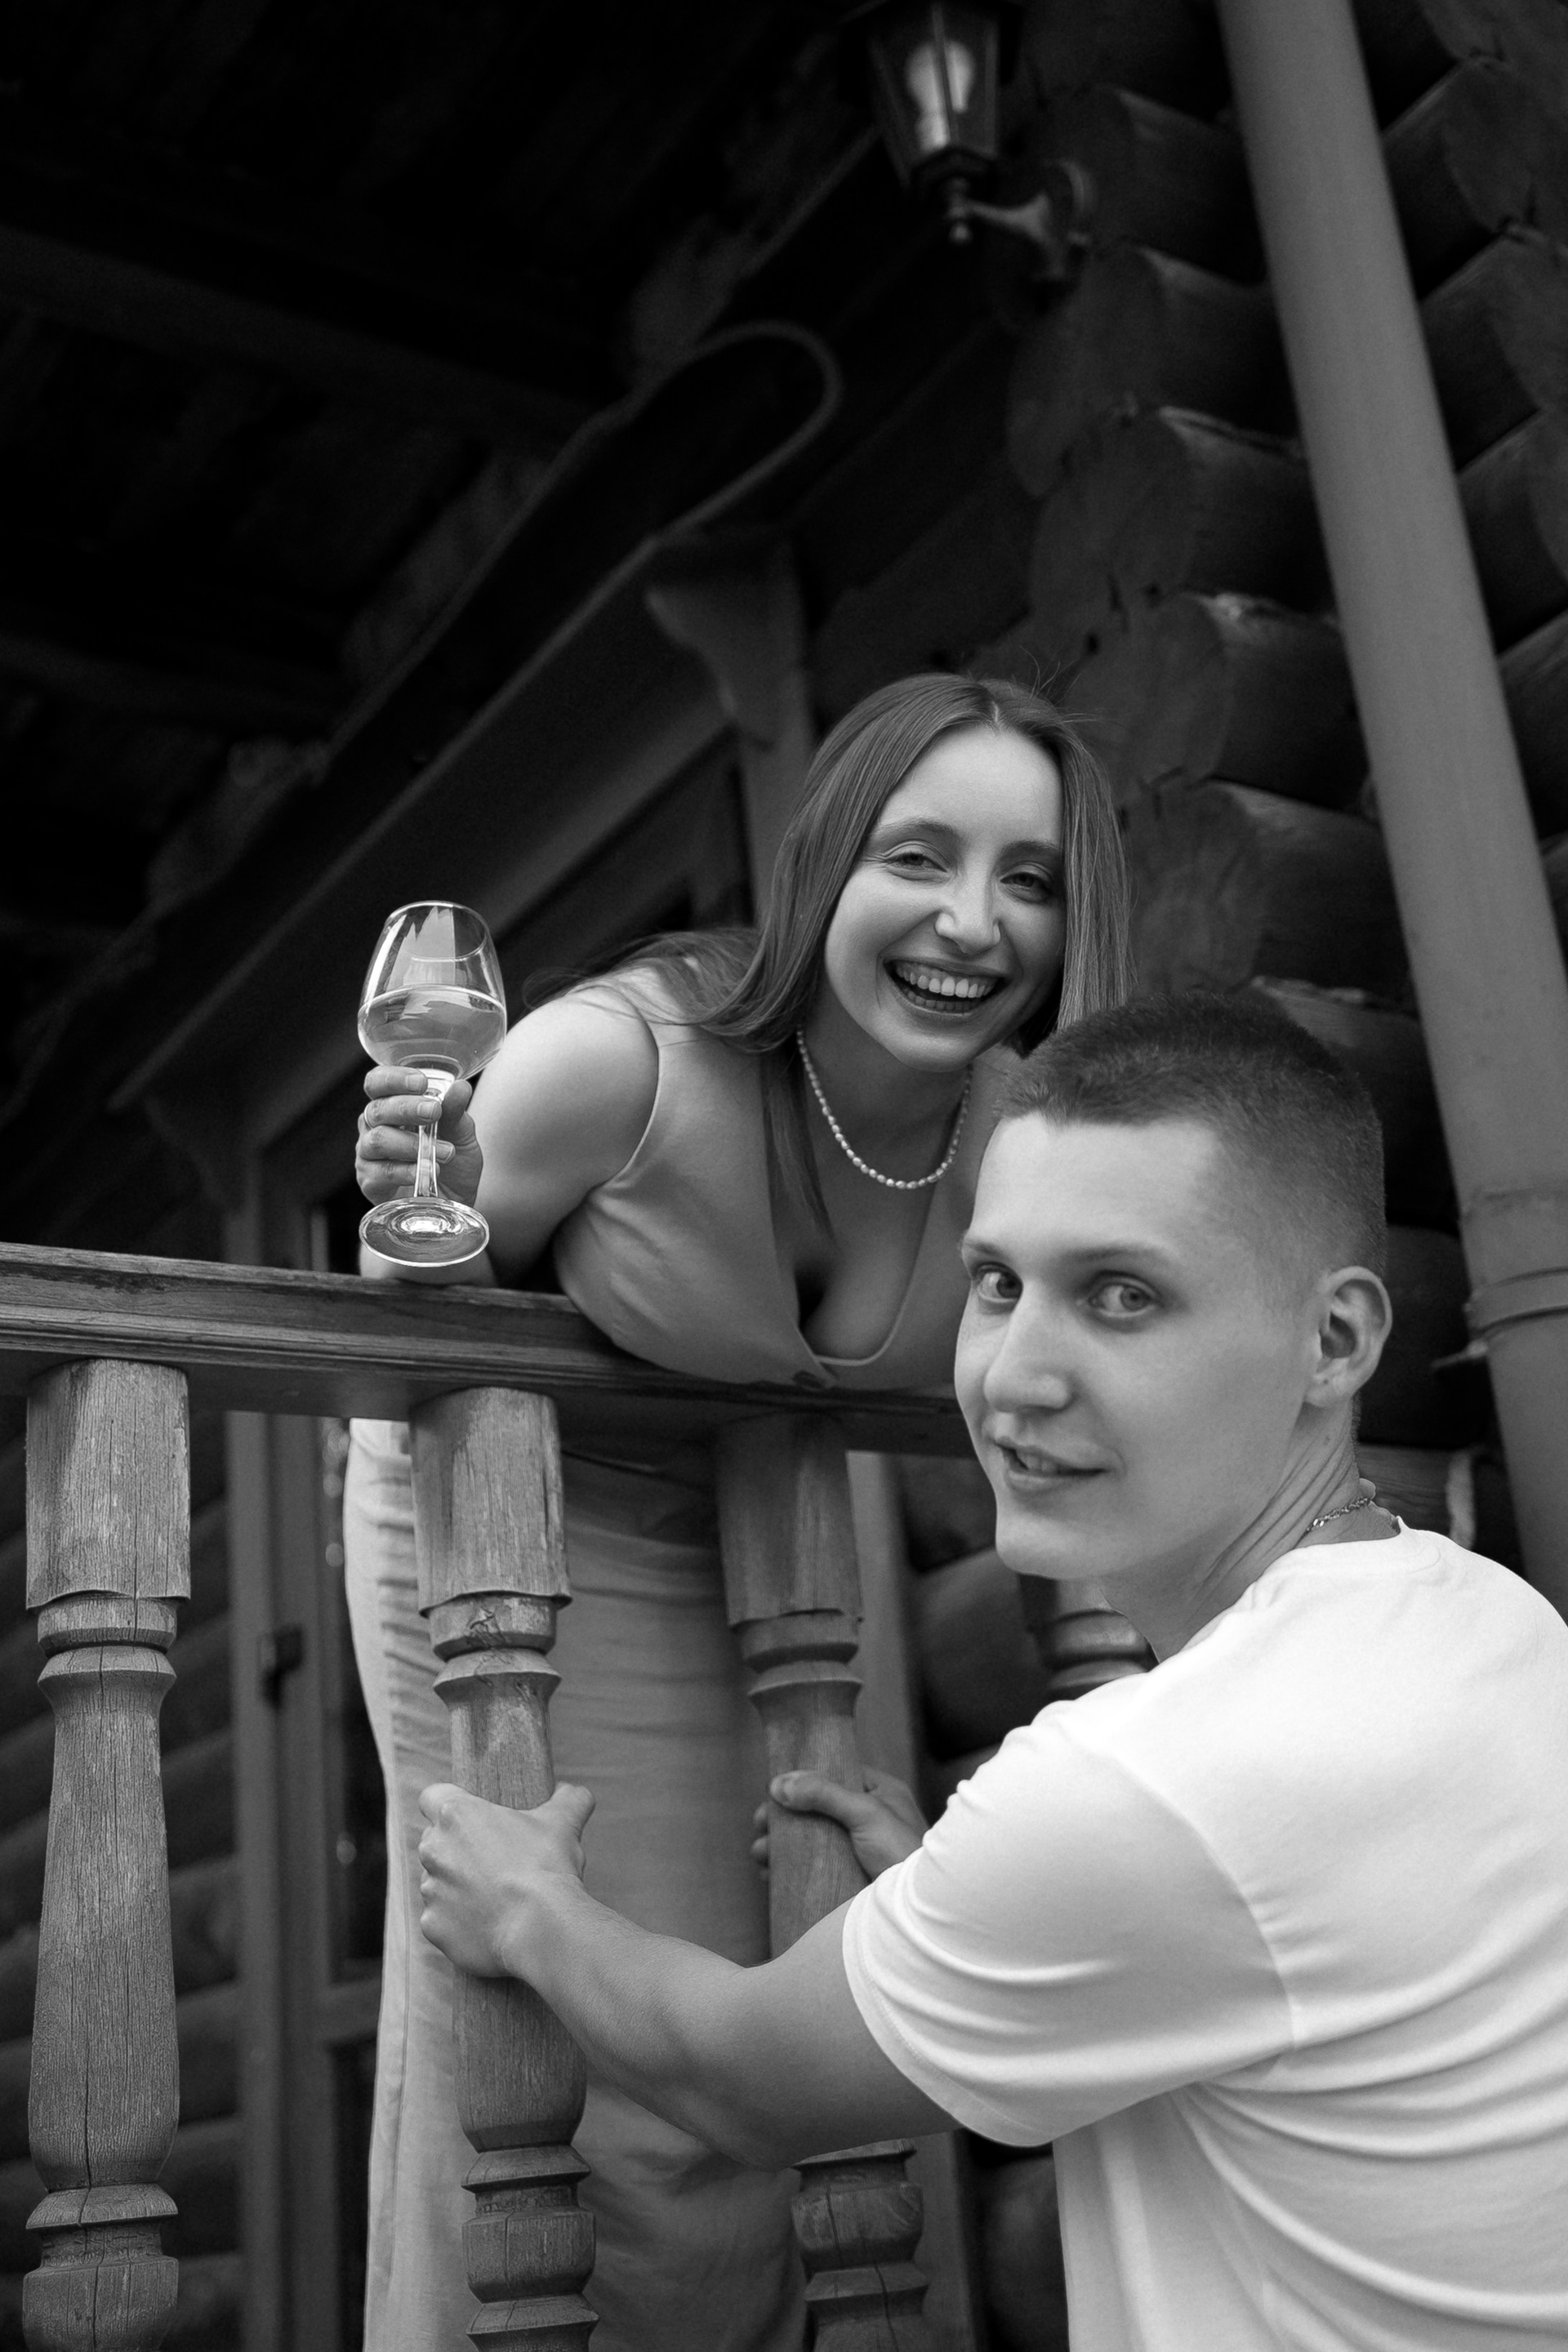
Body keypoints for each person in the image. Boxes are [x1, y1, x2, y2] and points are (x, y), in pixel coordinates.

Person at [418, 991, 1568, 2352]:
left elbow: (742, 2081)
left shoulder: (1160, 1784)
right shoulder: (1492, 1622)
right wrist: (970, 1906)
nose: (1014, 1378)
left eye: (1123, 1296)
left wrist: (533, 1909)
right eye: (997, 1284)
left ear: (1337, 1342)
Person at [345, 673, 1131, 2351]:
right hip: (520, 1523)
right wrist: (416, 1201)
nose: (972, 923)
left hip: (783, 1528)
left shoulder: (1033, 1139)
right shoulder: (609, 1064)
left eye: (1032, 879)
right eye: (919, 857)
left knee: (797, 1966)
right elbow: (417, 1326)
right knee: (547, 2004)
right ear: (824, 863)